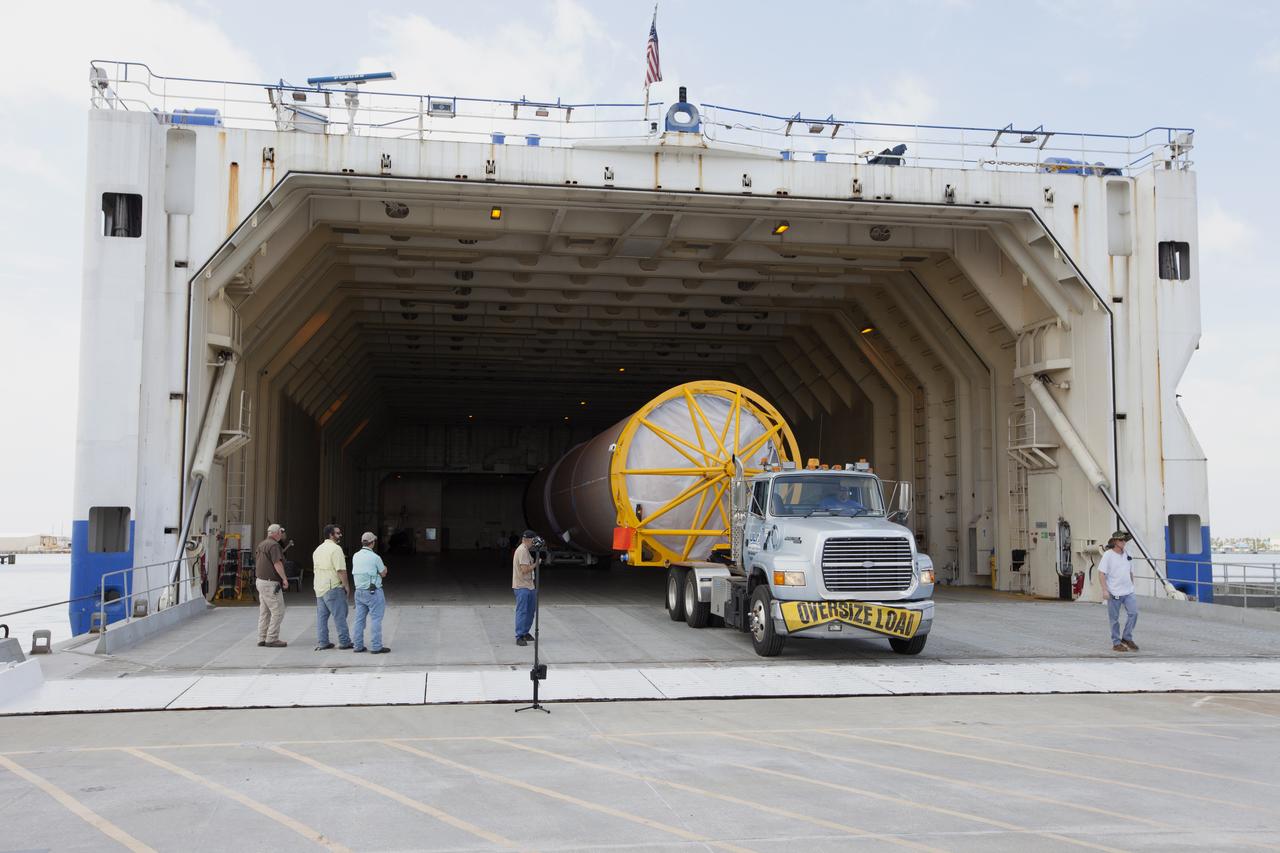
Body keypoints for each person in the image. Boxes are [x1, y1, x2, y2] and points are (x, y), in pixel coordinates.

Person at [311, 524, 352, 651]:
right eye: (338, 533)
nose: (340, 535)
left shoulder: (317, 550)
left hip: (319, 587)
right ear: (331, 535)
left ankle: (323, 642)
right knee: (340, 615)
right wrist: (346, 586)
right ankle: (344, 642)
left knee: (322, 618)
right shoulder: (336, 549)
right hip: (333, 587)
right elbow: (340, 570)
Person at [1099, 531, 1139, 652]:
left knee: (1134, 613)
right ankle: (1116, 642)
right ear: (1115, 542)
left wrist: (1132, 585)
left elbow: (1130, 571)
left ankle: (1126, 637)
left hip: (1128, 591)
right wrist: (1105, 590)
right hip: (1114, 592)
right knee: (1114, 619)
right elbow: (1101, 573)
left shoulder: (1127, 553)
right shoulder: (1108, 555)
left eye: (1124, 540)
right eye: (1121, 540)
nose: (1124, 542)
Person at [351, 531, 390, 654]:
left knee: (359, 620)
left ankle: (357, 646)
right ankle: (376, 646)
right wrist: (383, 569)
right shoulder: (375, 557)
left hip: (359, 592)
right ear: (372, 543)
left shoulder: (355, 556)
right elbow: (383, 573)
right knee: (376, 619)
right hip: (373, 592)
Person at [254, 523, 289, 647]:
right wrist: (284, 579)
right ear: (275, 533)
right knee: (278, 611)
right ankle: (272, 638)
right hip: (270, 583)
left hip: (260, 581)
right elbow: (277, 564)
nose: (281, 534)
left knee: (265, 612)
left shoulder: (262, 544)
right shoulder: (274, 545)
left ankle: (261, 637)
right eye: (280, 532)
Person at [513, 529, 540, 646]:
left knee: (530, 611)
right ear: (528, 540)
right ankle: (519, 636)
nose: (534, 543)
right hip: (522, 586)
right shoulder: (522, 551)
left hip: (529, 585)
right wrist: (536, 564)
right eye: (533, 540)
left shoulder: (526, 550)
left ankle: (525, 632)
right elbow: (524, 570)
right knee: (522, 611)